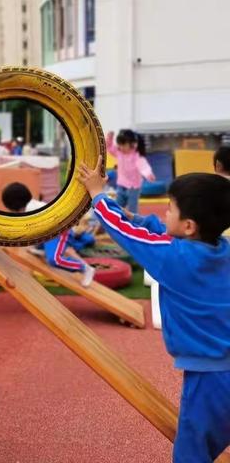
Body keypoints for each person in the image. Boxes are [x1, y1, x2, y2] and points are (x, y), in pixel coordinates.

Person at [78, 156, 230, 463]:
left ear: (188, 226)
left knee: (192, 452)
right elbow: (160, 231)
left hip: (209, 379)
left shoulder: (174, 260)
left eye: (170, 207)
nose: (164, 211)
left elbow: (126, 235)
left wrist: (98, 195)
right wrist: (136, 216)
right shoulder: (223, 250)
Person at [1, 182, 95, 287]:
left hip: (59, 230)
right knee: (37, 239)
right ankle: (42, 249)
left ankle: (85, 268)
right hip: (49, 232)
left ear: (13, 206)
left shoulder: (32, 211)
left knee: (54, 260)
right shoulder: (31, 207)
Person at [106, 129, 155, 213]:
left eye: (124, 145)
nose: (121, 147)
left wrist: (148, 174)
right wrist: (109, 138)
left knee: (132, 209)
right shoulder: (119, 152)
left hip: (133, 188)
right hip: (121, 185)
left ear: (132, 144)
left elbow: (143, 166)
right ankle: (117, 222)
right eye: (120, 145)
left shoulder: (136, 156)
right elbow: (109, 147)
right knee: (118, 208)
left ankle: (133, 224)